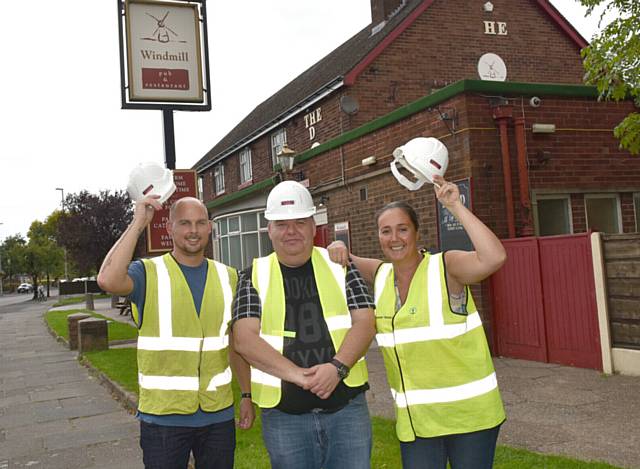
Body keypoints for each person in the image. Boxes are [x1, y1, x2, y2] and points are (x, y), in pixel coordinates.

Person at [328, 175, 507, 469]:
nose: (394, 238)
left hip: (470, 418)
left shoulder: (445, 267)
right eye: (386, 231)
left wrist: (455, 206)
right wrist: (337, 244)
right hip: (417, 424)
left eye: (402, 229)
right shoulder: (382, 275)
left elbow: (494, 257)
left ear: (416, 233)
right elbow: (342, 257)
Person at [97, 195, 255, 469]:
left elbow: (235, 343)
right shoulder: (147, 272)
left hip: (217, 415)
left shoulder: (228, 276)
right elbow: (108, 279)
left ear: (210, 228)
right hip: (163, 418)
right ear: (169, 229)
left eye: (200, 223)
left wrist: (246, 395)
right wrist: (138, 223)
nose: (193, 230)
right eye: (184, 223)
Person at [231, 180, 376, 469]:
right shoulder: (253, 276)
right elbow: (244, 340)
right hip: (285, 416)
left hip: (346, 409)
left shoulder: (341, 266)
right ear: (269, 229)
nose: (291, 231)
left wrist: (337, 368)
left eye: (300, 222)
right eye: (282, 224)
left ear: (313, 226)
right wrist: (300, 376)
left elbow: (366, 322)